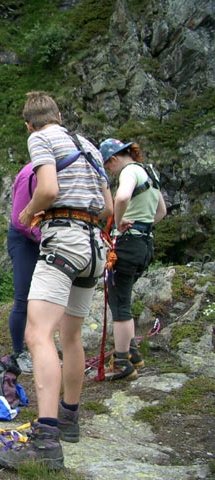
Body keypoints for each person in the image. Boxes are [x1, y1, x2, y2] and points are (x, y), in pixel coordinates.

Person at [0, 91, 113, 471]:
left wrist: (28, 215)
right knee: (71, 336)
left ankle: (45, 441)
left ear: (29, 123)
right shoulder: (90, 146)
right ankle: (68, 419)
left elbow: (48, 189)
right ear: (59, 115)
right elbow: (109, 207)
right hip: (95, 247)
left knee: (38, 334)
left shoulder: (39, 138)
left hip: (65, 241)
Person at [100, 138, 167, 380]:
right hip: (145, 245)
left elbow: (121, 198)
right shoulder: (149, 173)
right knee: (123, 300)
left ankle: (121, 362)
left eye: (108, 166)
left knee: (119, 304)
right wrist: (142, 226)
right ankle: (132, 353)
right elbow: (162, 211)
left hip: (126, 245)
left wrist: (119, 223)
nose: (109, 171)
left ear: (114, 159)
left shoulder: (129, 172)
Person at [6, 162, 41, 374]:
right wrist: (43, 239)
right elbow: (20, 220)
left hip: (42, 236)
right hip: (24, 239)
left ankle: (40, 346)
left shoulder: (58, 170)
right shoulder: (30, 174)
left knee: (44, 297)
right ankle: (19, 353)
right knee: (23, 297)